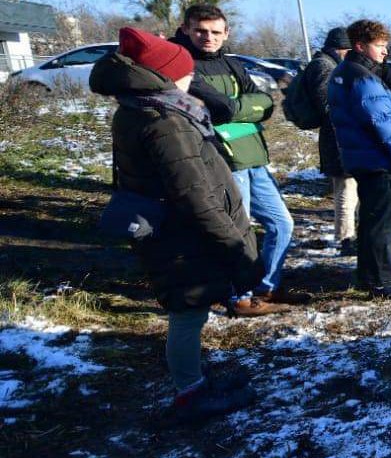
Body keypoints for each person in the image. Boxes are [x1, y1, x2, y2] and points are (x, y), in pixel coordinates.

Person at [90, 28, 263, 420]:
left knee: (192, 308)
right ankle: (190, 393)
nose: (191, 79)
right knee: (187, 311)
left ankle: (195, 378)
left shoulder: (148, 108)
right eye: (185, 72)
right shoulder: (165, 120)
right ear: (165, 75)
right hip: (181, 235)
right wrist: (233, 243)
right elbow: (193, 193)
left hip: (178, 229)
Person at [174, 4, 296, 315]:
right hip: (220, 160)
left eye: (216, 32)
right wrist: (240, 108)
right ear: (186, 28)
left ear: (226, 33)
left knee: (282, 224)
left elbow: (266, 103)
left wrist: (235, 107)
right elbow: (220, 107)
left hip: (253, 155)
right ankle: (237, 297)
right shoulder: (181, 66)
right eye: (201, 30)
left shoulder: (232, 64)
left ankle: (265, 288)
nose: (208, 37)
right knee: (234, 232)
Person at [328, 20, 391, 299]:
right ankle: (382, 282)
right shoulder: (362, 77)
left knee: (370, 220)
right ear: (360, 46)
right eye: (380, 46)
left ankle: (367, 277)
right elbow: (385, 125)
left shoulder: (344, 73)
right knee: (383, 225)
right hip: (380, 161)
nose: (385, 52)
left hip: (363, 159)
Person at [301, 27, 357, 256]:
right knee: (345, 190)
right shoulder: (324, 67)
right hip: (337, 139)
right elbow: (327, 105)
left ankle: (351, 235)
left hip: (342, 137)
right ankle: (345, 239)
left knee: (351, 189)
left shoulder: (330, 65)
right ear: (341, 49)